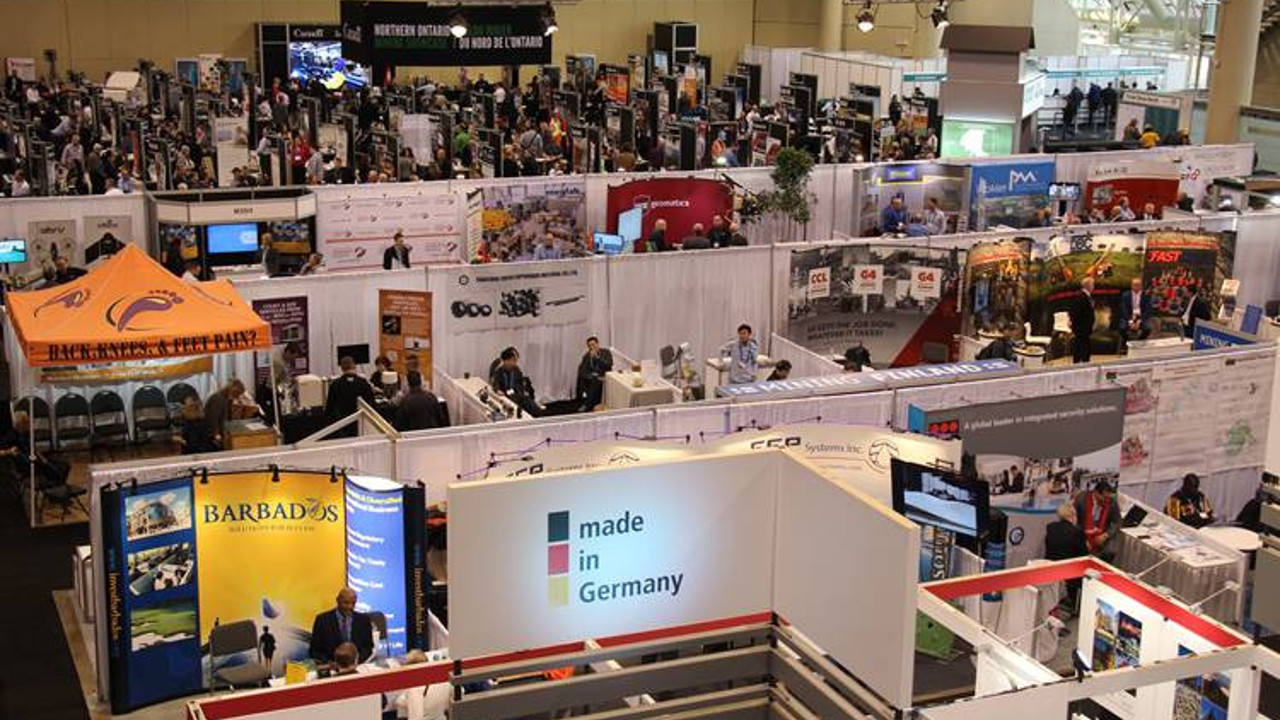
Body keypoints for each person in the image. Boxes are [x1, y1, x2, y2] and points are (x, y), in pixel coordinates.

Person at [310, 587, 374, 664]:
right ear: (337, 600)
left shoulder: (364, 620)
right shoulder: (322, 620)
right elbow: (315, 651)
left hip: (357, 665)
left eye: (353, 603)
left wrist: (356, 661)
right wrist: (329, 663)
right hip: (331, 666)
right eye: (346, 603)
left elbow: (368, 648)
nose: (350, 607)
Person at [326, 356, 378, 436]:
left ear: (341, 368)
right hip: (360, 424)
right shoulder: (363, 383)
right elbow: (372, 404)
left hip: (342, 425)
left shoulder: (335, 384)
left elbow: (329, 408)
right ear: (354, 366)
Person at [1074, 481, 1120, 561]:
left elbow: (1117, 521)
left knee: (1111, 551)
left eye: (1108, 497)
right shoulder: (1081, 499)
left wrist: (1106, 535)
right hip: (1083, 532)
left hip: (1103, 532)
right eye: (1104, 497)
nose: (1106, 500)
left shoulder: (1111, 501)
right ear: (1095, 492)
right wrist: (1082, 539)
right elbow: (1074, 521)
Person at [490, 347, 540, 417]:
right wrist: (497, 390)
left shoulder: (516, 369)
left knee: (528, 401)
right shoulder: (498, 371)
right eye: (513, 360)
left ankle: (538, 413)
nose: (516, 363)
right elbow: (495, 383)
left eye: (516, 360)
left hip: (516, 395)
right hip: (506, 396)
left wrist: (523, 390)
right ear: (506, 360)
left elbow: (520, 382)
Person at [203, 379, 248, 449]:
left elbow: (227, 417)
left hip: (221, 432)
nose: (238, 397)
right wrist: (216, 435)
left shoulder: (225, 399)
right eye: (237, 394)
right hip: (213, 436)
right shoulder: (217, 399)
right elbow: (213, 419)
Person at [575, 336, 613, 412]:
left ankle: (587, 405)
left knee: (595, 382)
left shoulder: (606, 352)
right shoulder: (586, 356)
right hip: (592, 377)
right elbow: (583, 370)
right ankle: (587, 402)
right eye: (589, 346)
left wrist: (597, 358)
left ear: (598, 344)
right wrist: (591, 376)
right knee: (591, 380)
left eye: (593, 344)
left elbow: (608, 365)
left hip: (604, 375)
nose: (591, 347)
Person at [1068, 277, 1096, 364]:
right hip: (1081, 327)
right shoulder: (1080, 297)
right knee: (1080, 345)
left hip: (1085, 327)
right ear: (1088, 286)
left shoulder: (1086, 296)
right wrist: (1075, 325)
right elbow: (1075, 312)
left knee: (1084, 345)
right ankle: (1079, 362)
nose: (1093, 287)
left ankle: (1084, 360)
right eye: (1092, 285)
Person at [1119, 277, 1152, 347]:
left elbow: (1147, 310)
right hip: (1129, 316)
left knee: (1148, 328)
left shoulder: (1146, 295)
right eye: (1134, 284)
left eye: (1138, 285)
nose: (1136, 286)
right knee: (1122, 328)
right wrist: (1130, 321)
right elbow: (1124, 309)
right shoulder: (1125, 295)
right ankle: (1128, 342)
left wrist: (1140, 321)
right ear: (1131, 285)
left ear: (1141, 286)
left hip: (1141, 317)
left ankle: (1139, 342)